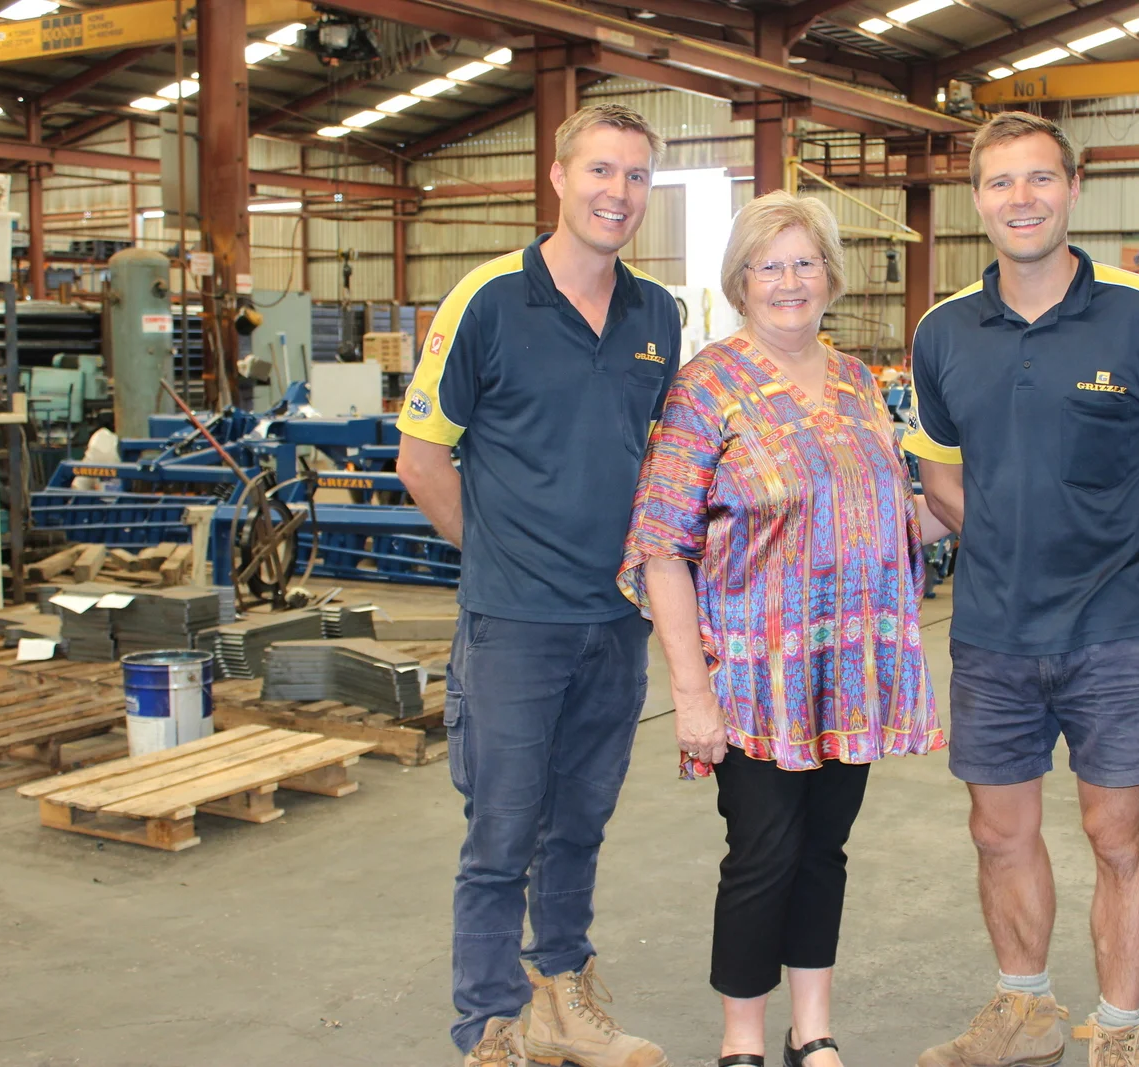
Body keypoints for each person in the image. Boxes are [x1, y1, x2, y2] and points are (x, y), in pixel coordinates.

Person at [904, 112, 1139, 1067]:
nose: (1022, 200)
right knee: (998, 831)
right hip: (993, 631)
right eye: (1001, 183)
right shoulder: (943, 332)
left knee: (1115, 829)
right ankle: (1025, 1009)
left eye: (1039, 179)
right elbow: (940, 478)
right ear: (976, 201)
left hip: (1115, 630)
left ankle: (1118, 1028)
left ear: (1073, 189)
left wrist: (1113, 557)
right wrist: (1005, 547)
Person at [617, 190, 949, 1067]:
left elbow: (891, 507)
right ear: (740, 280)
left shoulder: (858, 380)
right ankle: (742, 1041)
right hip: (752, 680)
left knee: (825, 850)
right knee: (762, 853)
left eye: (806, 263)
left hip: (849, 668)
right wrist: (691, 694)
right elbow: (660, 546)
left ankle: (815, 1030)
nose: (790, 281)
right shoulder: (708, 386)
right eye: (770, 265)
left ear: (832, 277)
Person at [396, 103, 681, 1067]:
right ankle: (489, 1026)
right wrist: (499, 558)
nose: (618, 192)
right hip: (514, 624)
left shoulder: (657, 314)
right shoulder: (487, 299)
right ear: (558, 177)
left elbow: (659, 460)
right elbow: (422, 457)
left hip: (615, 620)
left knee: (580, 824)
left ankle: (562, 997)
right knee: (501, 833)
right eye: (601, 171)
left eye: (637, 176)